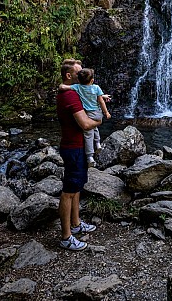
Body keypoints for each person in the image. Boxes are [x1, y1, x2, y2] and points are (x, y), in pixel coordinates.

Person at [56, 58, 103, 251]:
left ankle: (76, 224)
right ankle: (66, 237)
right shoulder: (70, 96)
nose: (83, 75)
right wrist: (99, 121)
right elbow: (85, 124)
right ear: (69, 76)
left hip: (79, 146)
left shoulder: (75, 92)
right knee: (68, 191)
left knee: (76, 187)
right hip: (73, 147)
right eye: (78, 73)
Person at [59, 67, 111, 167]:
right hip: (97, 113)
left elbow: (63, 87)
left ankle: (89, 156)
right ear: (92, 80)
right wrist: (106, 113)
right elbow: (100, 101)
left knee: (88, 135)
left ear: (78, 80)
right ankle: (98, 143)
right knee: (94, 127)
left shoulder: (77, 87)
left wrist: (61, 85)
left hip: (88, 113)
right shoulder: (96, 88)